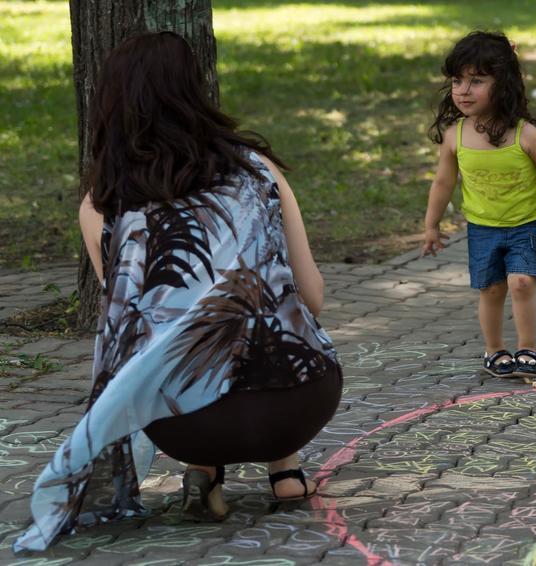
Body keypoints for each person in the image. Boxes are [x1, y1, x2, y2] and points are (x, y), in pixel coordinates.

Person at [14, 31, 342, 553]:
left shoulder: (101, 206)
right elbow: (313, 298)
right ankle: (285, 469)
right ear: (196, 92)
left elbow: (142, 333)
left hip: (185, 427)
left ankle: (204, 469)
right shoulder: (257, 171)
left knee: (192, 350)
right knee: (269, 332)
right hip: (300, 405)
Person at [420, 30, 536, 380]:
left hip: (526, 224)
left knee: (521, 283)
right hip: (483, 228)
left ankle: (528, 348)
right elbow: (443, 182)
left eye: (477, 81)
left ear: (502, 85)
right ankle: (494, 350)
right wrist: (431, 225)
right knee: (491, 288)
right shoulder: (455, 135)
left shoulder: (525, 134)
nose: (464, 90)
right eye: (457, 80)